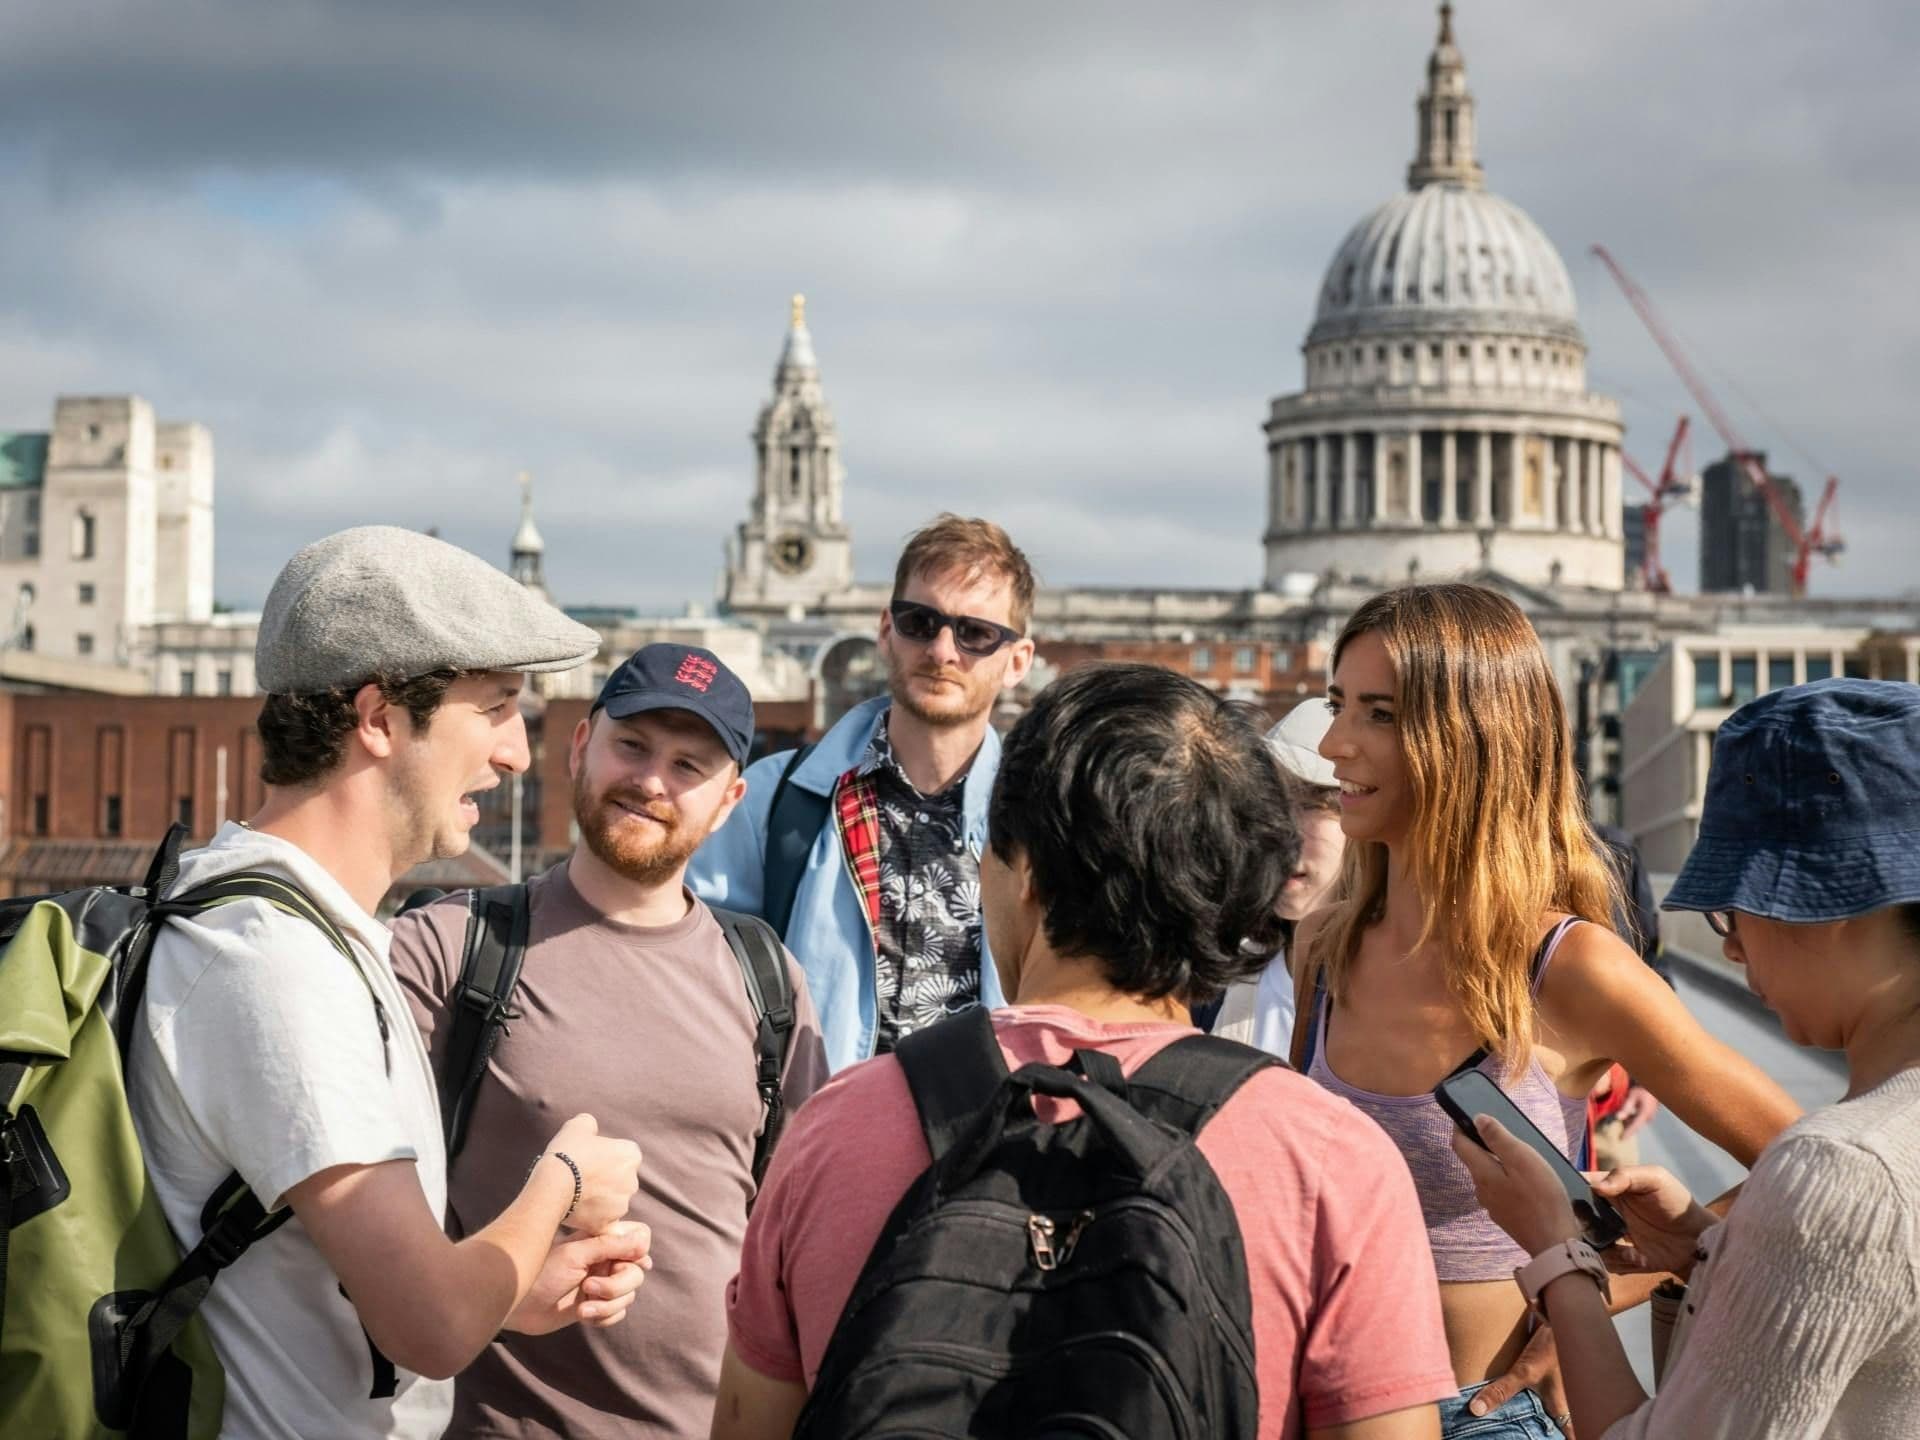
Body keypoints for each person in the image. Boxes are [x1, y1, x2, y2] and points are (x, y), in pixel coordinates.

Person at [712, 664, 1458, 1440]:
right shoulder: (1333, 1164)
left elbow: (746, 1424)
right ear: (1238, 880)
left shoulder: (842, 1126)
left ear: (1024, 871)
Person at [126, 526, 650, 1439]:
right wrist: (559, 1184)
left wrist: (512, 1281)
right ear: (377, 718)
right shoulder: (272, 958)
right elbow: (431, 1324)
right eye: (494, 708)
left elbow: (347, 1289)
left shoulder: (301, 926)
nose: (517, 754)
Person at [1290, 582, 1801, 1438]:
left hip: (1485, 1414)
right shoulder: (1325, 948)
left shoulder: (1568, 967)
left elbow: (1810, 1161)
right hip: (1309, 1410)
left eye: (1377, 715)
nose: (1334, 744)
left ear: (1472, 741)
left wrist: (1593, 1297)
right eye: (1339, 704)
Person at [1460, 678, 1920, 1438]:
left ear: (1834, 906)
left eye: (1732, 908)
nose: (1732, 943)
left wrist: (1560, 1259)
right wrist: (1712, 1252)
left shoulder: (1840, 1171)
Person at [391, 645, 830, 1439]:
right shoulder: (452, 949)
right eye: (633, 745)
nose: (652, 780)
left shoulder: (769, 979)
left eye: (688, 764)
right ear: (579, 746)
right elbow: (354, 1232)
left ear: (729, 800)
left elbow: (798, 1242)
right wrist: (494, 1293)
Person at [690, 514, 1036, 1070]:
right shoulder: (774, 798)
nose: (943, 651)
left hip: (990, 1147)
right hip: (816, 1141)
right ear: (885, 631)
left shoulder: (1043, 820)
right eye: (920, 622)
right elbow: (693, 978)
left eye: (975, 633)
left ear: (1017, 661)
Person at [1207, 698, 1344, 1051]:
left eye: (1312, 805)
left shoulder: (1410, 999)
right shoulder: (1213, 978)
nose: (1280, 829)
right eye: (1271, 803)